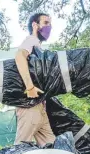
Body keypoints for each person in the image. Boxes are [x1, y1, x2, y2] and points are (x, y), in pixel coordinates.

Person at [14, 13, 55, 146]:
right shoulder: (31, 40)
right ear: (35, 25)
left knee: (53, 149)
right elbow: (19, 56)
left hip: (40, 107)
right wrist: (30, 87)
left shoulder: (38, 46)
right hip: (29, 106)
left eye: (50, 23)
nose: (49, 26)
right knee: (19, 151)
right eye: (46, 23)